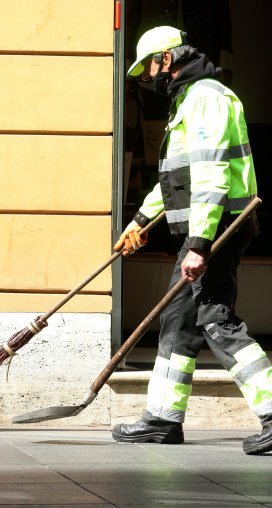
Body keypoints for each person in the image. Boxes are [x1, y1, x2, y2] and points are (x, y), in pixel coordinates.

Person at [112, 26, 272, 455]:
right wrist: (141, 222)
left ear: (168, 59)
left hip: (217, 232)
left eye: (149, 68)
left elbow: (212, 175)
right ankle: (162, 419)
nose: (149, 78)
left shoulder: (207, 98)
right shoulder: (189, 100)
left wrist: (200, 244)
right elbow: (176, 179)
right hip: (203, 233)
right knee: (177, 322)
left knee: (216, 321)